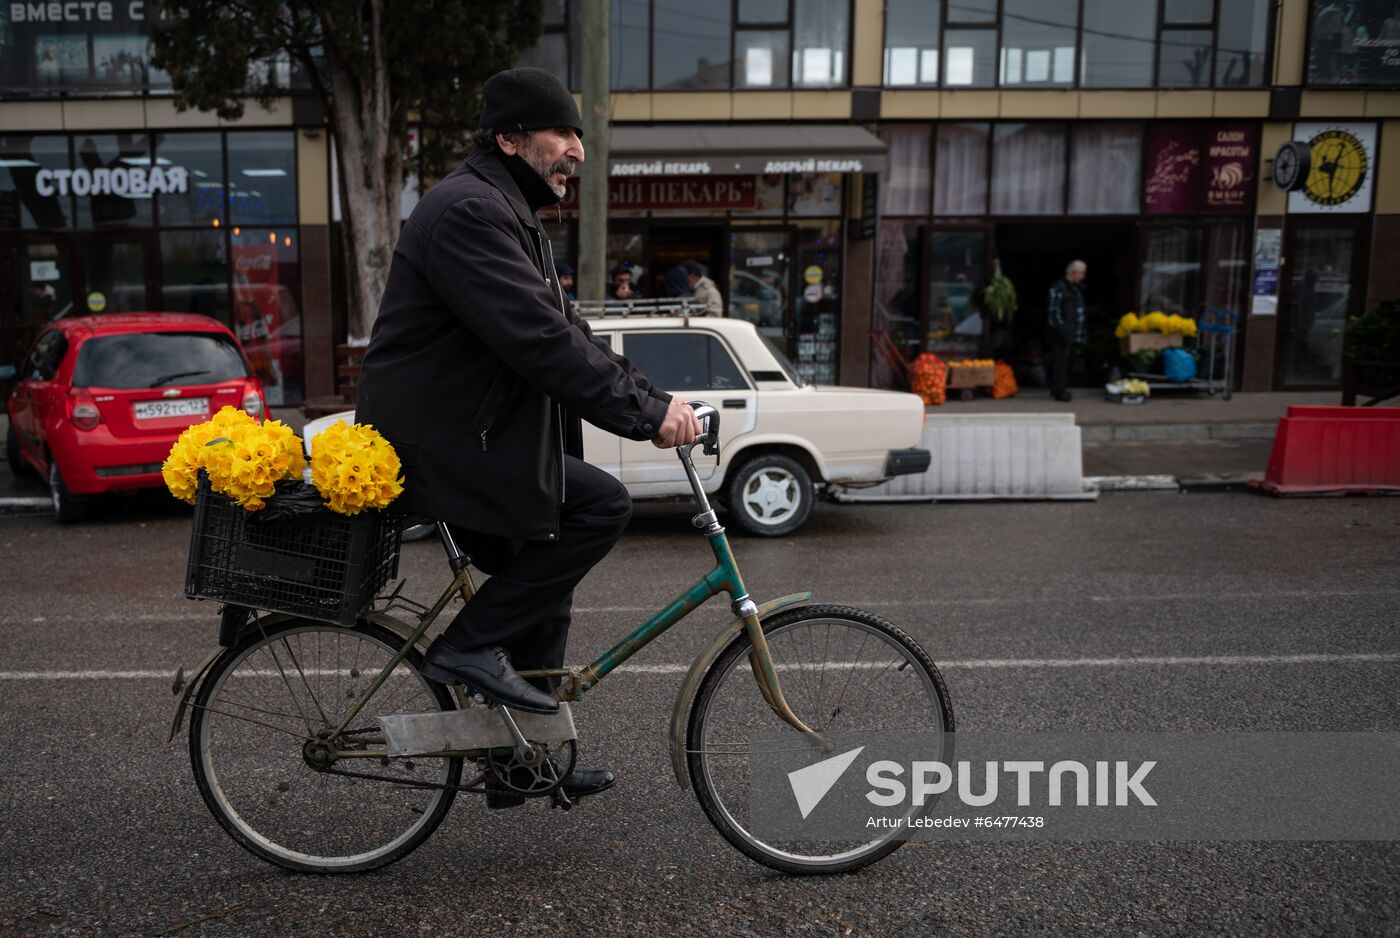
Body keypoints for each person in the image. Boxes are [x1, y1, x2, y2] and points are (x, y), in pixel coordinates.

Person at [355, 67, 701, 807]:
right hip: (443, 444)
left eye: (579, 135)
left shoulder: (507, 213)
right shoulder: (469, 214)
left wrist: (655, 400)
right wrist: (642, 420)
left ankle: (523, 761)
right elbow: (539, 340)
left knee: (545, 577)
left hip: (473, 437)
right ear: (510, 139)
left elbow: (573, 334)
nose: (577, 149)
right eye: (563, 134)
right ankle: (466, 647)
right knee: (597, 506)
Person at [1046, 260, 1088, 402]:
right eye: (1082, 273)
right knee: (1061, 362)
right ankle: (1059, 391)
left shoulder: (1074, 288)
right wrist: (1062, 329)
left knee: (1068, 361)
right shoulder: (1059, 288)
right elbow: (1053, 312)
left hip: (1072, 332)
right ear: (1074, 273)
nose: (1083, 276)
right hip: (1063, 333)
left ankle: (1058, 388)